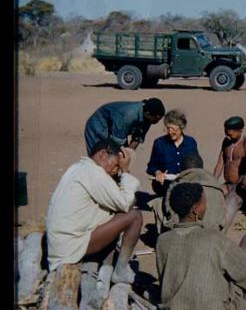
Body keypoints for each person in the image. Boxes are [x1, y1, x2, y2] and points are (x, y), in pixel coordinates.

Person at [156, 182, 246, 310]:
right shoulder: (214, 238)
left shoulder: (162, 240)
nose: (207, 206)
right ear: (196, 210)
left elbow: (166, 278)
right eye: (204, 202)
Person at [46, 139, 143, 284]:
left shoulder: (79, 167)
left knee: (114, 214)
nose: (116, 170)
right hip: (70, 247)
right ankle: (120, 271)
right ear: (103, 154)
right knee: (135, 216)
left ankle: (107, 264)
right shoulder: (93, 173)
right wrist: (126, 170)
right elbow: (124, 204)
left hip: (60, 245)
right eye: (116, 165)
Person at [151, 152, 242, 233]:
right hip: (213, 236)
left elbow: (170, 213)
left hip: (182, 236)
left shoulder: (176, 187)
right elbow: (221, 217)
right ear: (201, 168)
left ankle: (164, 237)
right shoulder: (215, 185)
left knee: (158, 202)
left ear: (183, 170)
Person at [84, 98, 165, 156]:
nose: (157, 122)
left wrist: (128, 156)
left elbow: (137, 138)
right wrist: (122, 157)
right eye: (156, 119)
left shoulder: (148, 118)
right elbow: (117, 143)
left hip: (113, 129)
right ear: (148, 114)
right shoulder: (128, 115)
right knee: (98, 158)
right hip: (98, 126)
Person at [146, 109, 198, 197]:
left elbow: (197, 164)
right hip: (165, 184)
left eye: (173, 129)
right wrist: (158, 173)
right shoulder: (159, 143)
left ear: (181, 127)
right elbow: (151, 166)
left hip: (185, 182)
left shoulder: (191, 143)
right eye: (167, 128)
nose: (170, 132)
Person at [213, 116, 246, 193]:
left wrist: (239, 185)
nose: (228, 137)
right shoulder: (226, 141)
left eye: (230, 134)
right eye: (226, 134)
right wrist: (213, 181)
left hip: (240, 186)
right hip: (228, 184)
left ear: (239, 130)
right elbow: (220, 164)